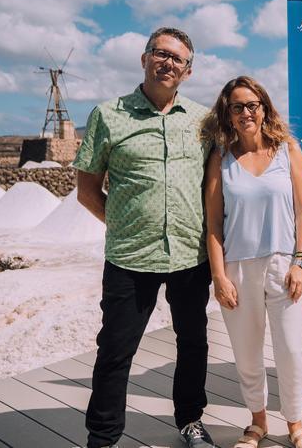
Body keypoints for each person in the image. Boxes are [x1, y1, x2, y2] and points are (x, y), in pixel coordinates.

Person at [74, 27, 219, 448]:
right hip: (129, 258)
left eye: (178, 59)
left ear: (188, 71)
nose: (168, 62)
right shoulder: (108, 115)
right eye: (161, 53)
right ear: (144, 59)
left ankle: (190, 420)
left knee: (193, 343)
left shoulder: (202, 120)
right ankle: (102, 438)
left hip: (190, 257)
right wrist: (121, 224)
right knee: (116, 351)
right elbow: (87, 190)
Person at [202, 76, 302, 448]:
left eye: (252, 105)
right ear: (229, 114)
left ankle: (296, 422)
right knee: (247, 351)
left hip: (286, 265)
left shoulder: (287, 149)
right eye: (237, 107)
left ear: (264, 108)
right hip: (237, 268)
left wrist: (301, 262)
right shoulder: (221, 158)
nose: (246, 112)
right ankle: (257, 422)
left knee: (292, 348)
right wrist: (219, 276)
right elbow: (214, 225)